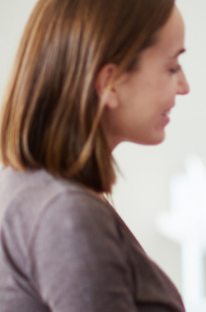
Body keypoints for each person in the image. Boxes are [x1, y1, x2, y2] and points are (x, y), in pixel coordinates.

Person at [0, 0, 190, 311]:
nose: (184, 87)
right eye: (171, 67)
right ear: (110, 83)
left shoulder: (31, 187)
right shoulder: (66, 215)